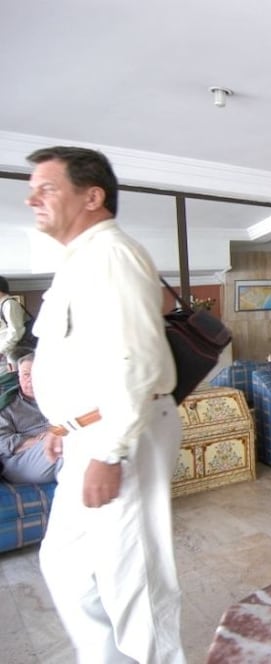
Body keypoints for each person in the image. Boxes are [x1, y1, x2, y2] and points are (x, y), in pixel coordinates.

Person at [25, 146, 185, 662]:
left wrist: (109, 451)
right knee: (66, 567)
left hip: (120, 433)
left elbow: (134, 360)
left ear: (92, 197)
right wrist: (64, 426)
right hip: (87, 433)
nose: (32, 199)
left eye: (47, 188)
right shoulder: (80, 260)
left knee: (135, 582)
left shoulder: (110, 254)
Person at [0, 353, 62, 484]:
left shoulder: (59, 398)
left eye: (36, 375)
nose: (31, 380)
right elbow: (2, 442)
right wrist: (38, 440)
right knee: (66, 444)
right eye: (26, 375)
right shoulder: (7, 405)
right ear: (19, 377)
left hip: (56, 449)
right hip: (20, 461)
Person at [0, 276, 31, 367]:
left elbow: (16, 332)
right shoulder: (3, 305)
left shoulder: (9, 304)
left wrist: (1, 351)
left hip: (11, 354)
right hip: (6, 354)